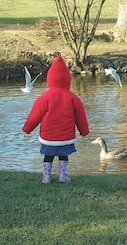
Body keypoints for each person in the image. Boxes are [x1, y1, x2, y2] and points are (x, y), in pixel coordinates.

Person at [22, 54, 90, 184]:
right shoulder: (73, 98)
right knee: (63, 156)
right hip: (66, 136)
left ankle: (46, 177)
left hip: (48, 136)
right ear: (67, 79)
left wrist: (27, 128)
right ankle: (63, 176)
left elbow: (35, 116)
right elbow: (80, 117)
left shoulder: (44, 98)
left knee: (48, 156)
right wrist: (84, 131)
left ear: (50, 79)